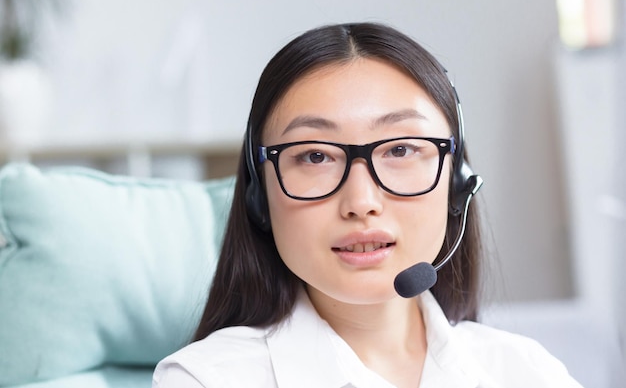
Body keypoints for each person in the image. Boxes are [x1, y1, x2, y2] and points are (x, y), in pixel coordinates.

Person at [152, 22, 582, 387]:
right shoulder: (208, 380)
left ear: (458, 184)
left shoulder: (525, 371)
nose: (361, 202)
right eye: (315, 156)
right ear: (259, 196)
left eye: (399, 150)